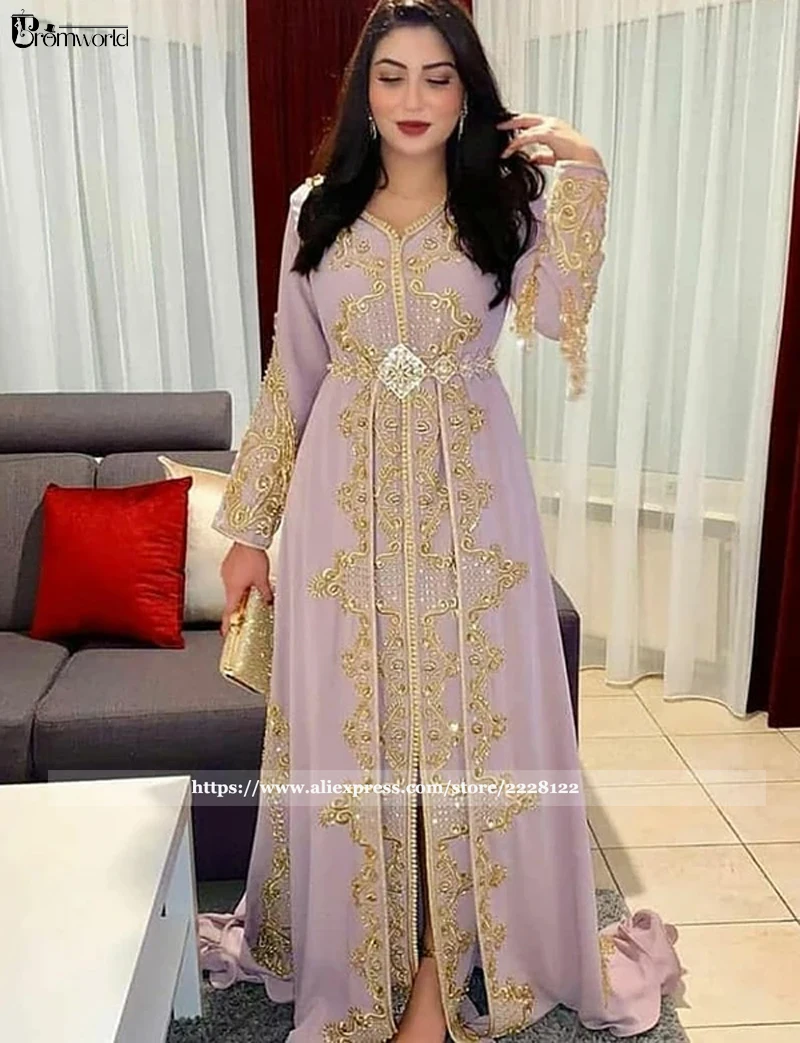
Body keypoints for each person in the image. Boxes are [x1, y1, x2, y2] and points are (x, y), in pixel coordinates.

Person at [198, 2, 684, 1041]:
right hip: (341, 512)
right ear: (362, 91)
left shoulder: (504, 204)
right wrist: (248, 530)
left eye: (436, 76)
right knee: (358, 729)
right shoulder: (315, 211)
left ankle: (438, 965)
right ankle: (364, 961)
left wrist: (585, 169)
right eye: (391, 76)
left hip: (474, 508)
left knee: (473, 728)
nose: (412, 98)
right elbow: (292, 374)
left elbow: (557, 311)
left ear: (467, 91)